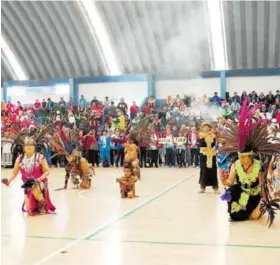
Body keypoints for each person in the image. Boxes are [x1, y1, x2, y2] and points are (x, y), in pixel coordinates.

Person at [218, 97, 280, 226]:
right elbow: (230, 182)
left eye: (244, 157)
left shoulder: (257, 165)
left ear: (250, 156)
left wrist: (264, 198)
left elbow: (262, 183)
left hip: (255, 195)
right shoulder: (236, 165)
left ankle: (259, 207)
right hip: (241, 191)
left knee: (254, 217)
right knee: (235, 215)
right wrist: (222, 179)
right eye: (240, 156)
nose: (241, 159)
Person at [2, 137, 56, 216]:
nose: (29, 147)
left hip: (40, 182)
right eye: (27, 145)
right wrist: (8, 180)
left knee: (34, 187)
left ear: (34, 147)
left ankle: (43, 204)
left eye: (31, 145)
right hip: (27, 185)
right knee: (29, 210)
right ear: (24, 148)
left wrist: (39, 179)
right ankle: (36, 204)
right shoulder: (20, 158)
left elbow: (47, 171)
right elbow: (14, 172)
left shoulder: (40, 157)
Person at [198, 123, 219, 194]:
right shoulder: (201, 135)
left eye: (207, 126)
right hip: (204, 155)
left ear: (209, 128)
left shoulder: (213, 135)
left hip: (211, 155)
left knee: (213, 170)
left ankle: (215, 187)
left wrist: (211, 137)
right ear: (202, 128)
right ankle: (202, 187)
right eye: (204, 127)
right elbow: (201, 144)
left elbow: (213, 144)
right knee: (204, 170)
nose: (206, 128)